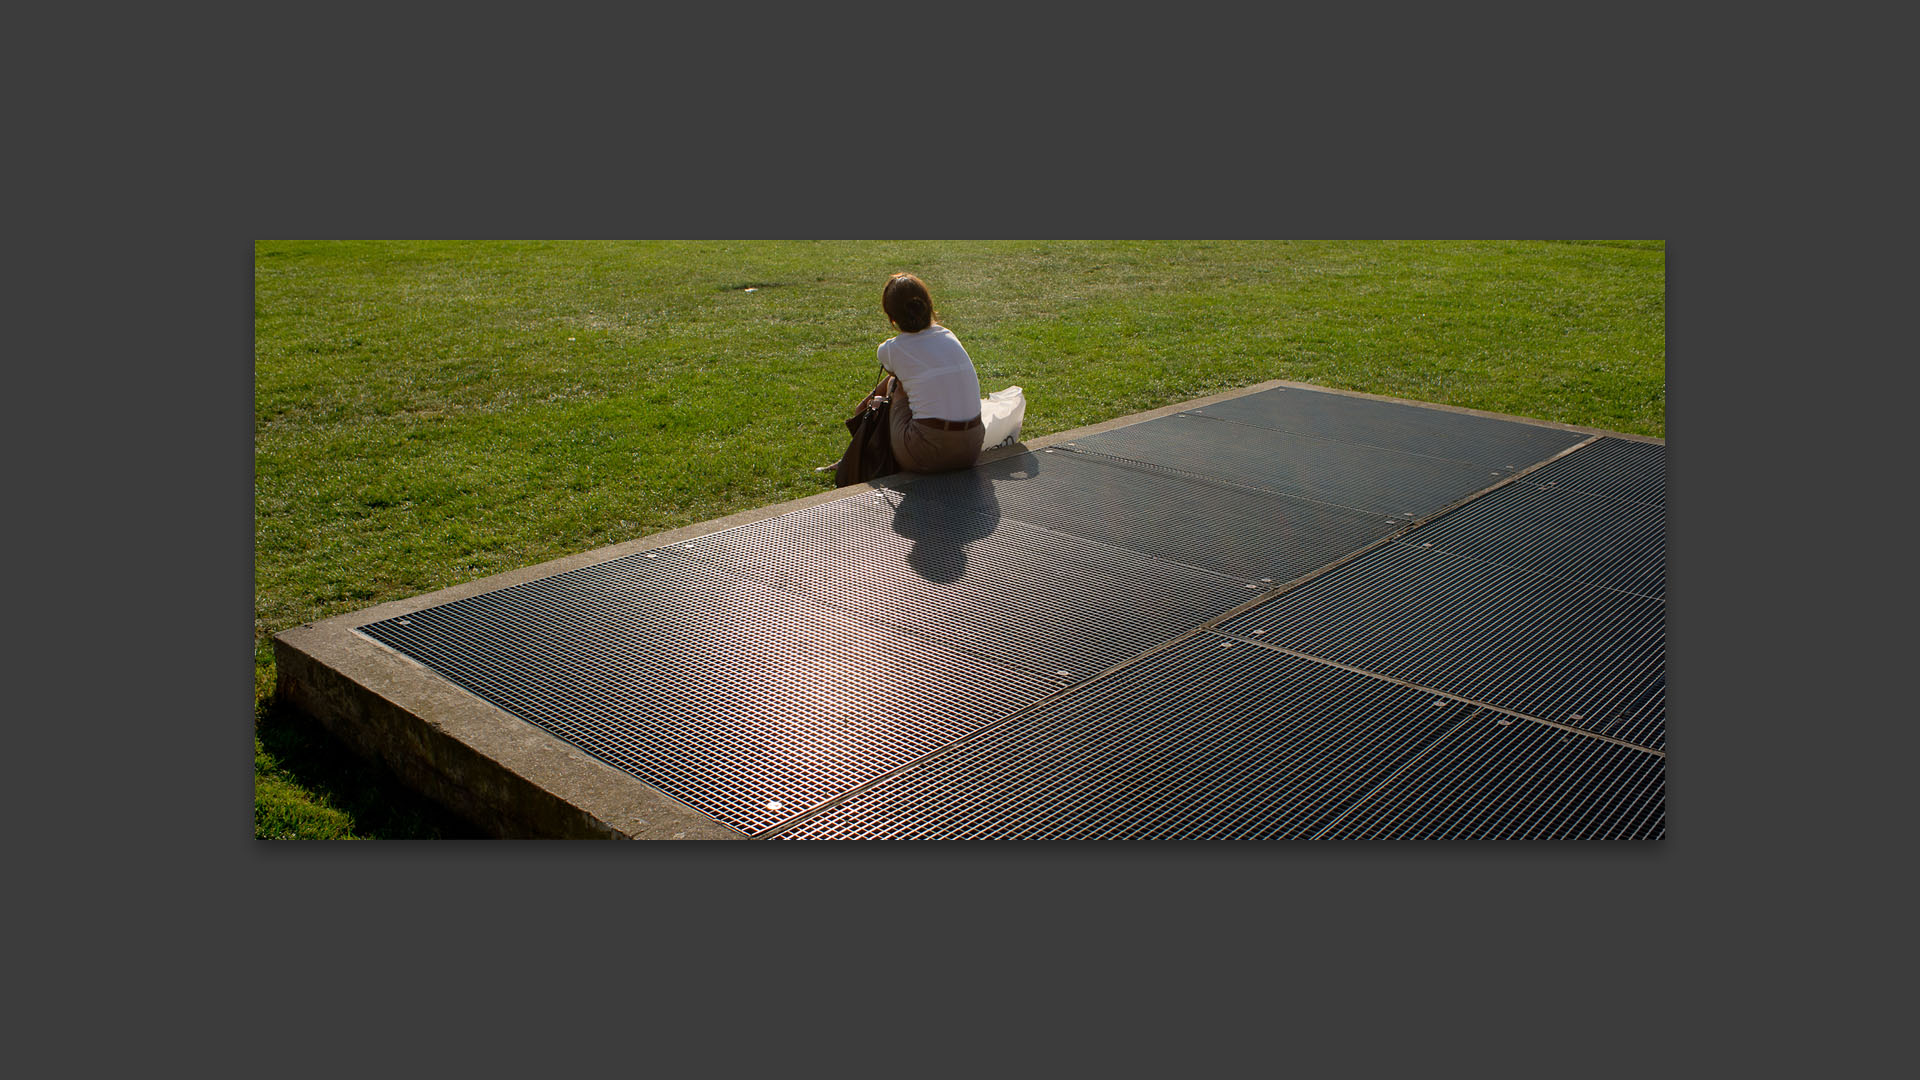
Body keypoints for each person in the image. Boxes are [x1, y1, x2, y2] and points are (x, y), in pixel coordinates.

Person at [873, 272, 983, 473]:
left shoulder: (891, 349)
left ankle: (864, 445)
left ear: (892, 316)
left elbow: (894, 374)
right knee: (911, 378)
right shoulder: (948, 335)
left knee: (894, 384)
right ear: (928, 305)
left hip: (926, 454)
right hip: (972, 448)